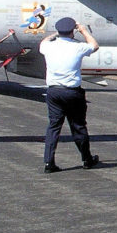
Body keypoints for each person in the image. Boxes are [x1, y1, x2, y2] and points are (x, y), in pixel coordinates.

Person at [39, 16, 100, 173]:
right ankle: (87, 159)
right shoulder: (77, 47)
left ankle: (48, 162)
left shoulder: (48, 47)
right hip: (72, 92)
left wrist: (54, 34)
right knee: (78, 126)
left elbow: (43, 42)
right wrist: (84, 31)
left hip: (53, 91)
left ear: (59, 31)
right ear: (73, 31)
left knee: (53, 127)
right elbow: (94, 46)